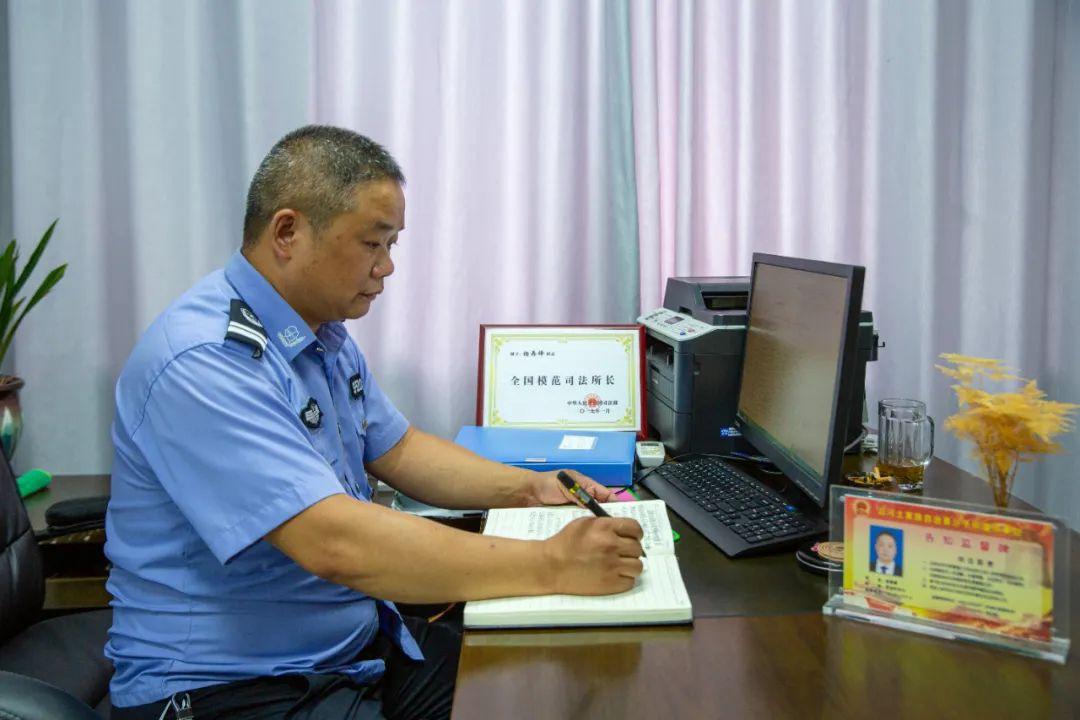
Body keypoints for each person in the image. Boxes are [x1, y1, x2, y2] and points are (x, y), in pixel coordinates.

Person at [104, 125, 645, 720]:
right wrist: (552, 564)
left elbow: (400, 449)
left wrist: (530, 488)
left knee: (553, 683)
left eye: (392, 244)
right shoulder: (204, 359)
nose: (387, 267)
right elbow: (333, 542)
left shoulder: (321, 334)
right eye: (372, 243)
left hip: (349, 649)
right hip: (230, 690)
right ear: (287, 233)